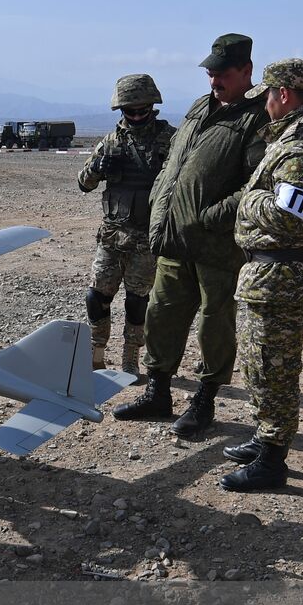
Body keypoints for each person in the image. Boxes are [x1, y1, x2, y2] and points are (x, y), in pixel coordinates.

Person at [115, 33, 270, 440]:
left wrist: (208, 217)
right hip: (174, 237)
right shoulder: (200, 108)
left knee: (214, 323)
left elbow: (257, 184)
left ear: (247, 72)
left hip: (215, 244)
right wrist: (159, 208)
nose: (214, 80)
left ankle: (204, 398)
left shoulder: (257, 118)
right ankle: (158, 391)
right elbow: (174, 164)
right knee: (162, 313)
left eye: (222, 73)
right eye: (210, 72)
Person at [219, 59, 303, 491]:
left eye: (269, 98)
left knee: (270, 365)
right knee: (263, 362)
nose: (266, 108)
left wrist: (249, 201)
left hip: (284, 274)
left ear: (283, 95)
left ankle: (272, 459)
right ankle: (264, 437)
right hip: (289, 271)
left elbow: (289, 215)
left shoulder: (300, 144)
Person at [77, 74, 176, 382]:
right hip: (111, 236)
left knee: (137, 302)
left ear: (152, 107)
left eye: (141, 110)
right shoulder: (110, 142)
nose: (135, 116)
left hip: (147, 238)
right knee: (97, 297)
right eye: (129, 111)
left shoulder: (169, 140)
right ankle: (96, 354)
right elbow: (84, 183)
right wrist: (97, 169)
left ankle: (130, 359)